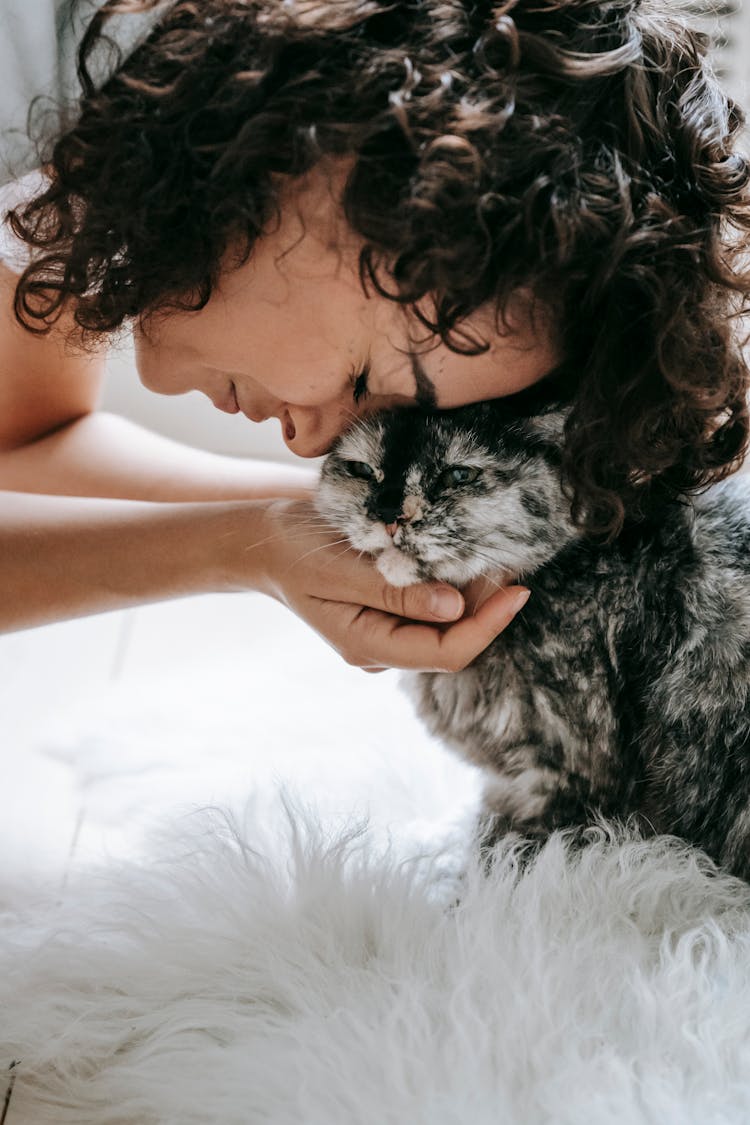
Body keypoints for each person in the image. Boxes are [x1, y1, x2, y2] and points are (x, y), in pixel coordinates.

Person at [0, 0, 747, 671]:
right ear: (324, 149)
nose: (309, 441)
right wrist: (235, 551)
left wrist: (344, 527)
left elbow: (26, 444)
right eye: (364, 379)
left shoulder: (111, 139)